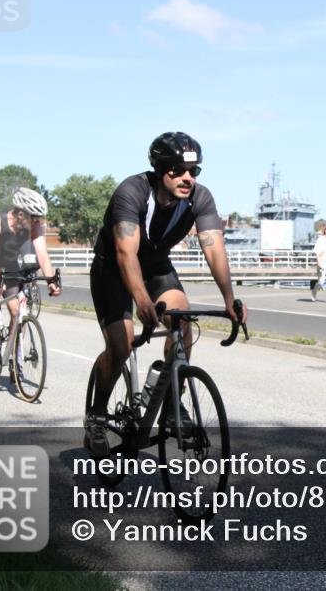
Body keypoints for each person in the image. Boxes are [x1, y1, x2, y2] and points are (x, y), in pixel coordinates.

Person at [84, 131, 247, 456]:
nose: (187, 178)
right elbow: (125, 253)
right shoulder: (132, 192)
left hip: (156, 266)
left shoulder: (199, 199)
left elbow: (214, 249)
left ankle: (173, 406)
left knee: (182, 318)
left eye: (194, 171)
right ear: (160, 169)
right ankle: (97, 418)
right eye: (178, 170)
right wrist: (142, 301)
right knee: (121, 344)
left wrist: (229, 299)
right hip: (114, 269)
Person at [0, 188, 62, 343]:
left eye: (39, 218)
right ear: (20, 215)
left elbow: (43, 257)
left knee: (16, 311)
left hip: (8, 264)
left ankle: (14, 355)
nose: (37, 222)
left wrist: (51, 281)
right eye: (34, 218)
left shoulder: (35, 227)